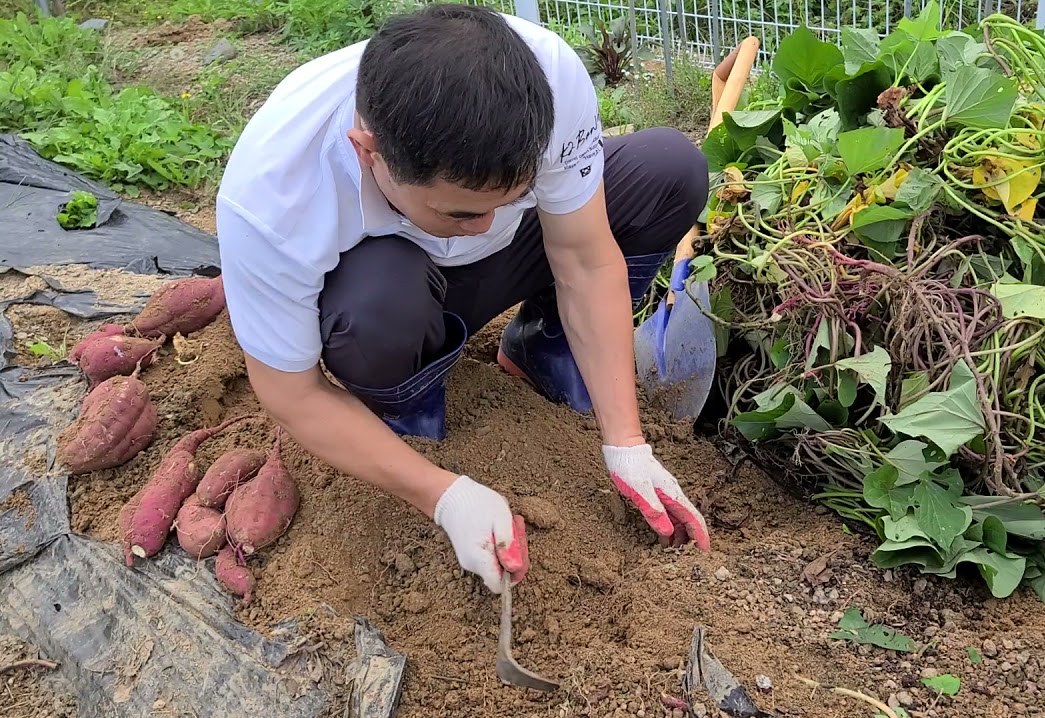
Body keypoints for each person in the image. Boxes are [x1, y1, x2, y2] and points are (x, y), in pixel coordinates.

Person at [213, 3, 712, 594]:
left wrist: (626, 442)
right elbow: (290, 394)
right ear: (368, 151)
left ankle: (545, 350)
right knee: (376, 307)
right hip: (396, 291)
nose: (489, 223)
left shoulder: (546, 75)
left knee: (669, 168)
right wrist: (442, 494)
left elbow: (581, 254)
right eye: (463, 210)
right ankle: (407, 397)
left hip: (512, 261)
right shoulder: (274, 197)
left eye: (513, 196)